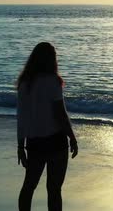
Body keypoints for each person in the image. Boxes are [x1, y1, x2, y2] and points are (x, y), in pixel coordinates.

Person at [16, 42, 78, 211]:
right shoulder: (53, 81)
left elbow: (21, 117)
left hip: (34, 142)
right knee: (54, 190)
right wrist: (72, 137)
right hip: (56, 141)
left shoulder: (24, 84)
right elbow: (60, 114)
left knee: (29, 186)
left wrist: (20, 145)